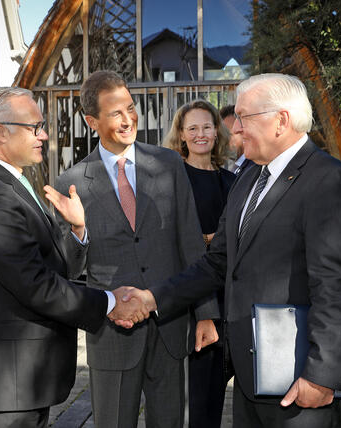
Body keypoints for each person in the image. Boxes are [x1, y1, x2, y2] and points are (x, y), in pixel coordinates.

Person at [117, 73, 341, 427]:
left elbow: (334, 286)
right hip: (251, 375)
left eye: (244, 118)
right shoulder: (248, 179)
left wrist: (323, 374)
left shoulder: (327, 179)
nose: (235, 131)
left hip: (298, 377)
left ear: (281, 120)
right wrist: (151, 299)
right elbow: (217, 263)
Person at [0, 87, 147, 428]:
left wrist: (78, 230)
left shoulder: (9, 182)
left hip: (21, 382)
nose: (44, 134)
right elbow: (36, 285)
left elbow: (50, 267)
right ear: (0, 132)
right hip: (1, 385)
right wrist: (111, 302)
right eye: (34, 126)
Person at [55, 70, 218, 428]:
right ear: (91, 121)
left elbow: (191, 242)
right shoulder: (70, 183)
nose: (129, 119)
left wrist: (205, 313)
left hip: (170, 324)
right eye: (116, 113)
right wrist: (79, 229)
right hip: (112, 333)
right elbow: (66, 269)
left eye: (131, 107)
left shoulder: (170, 164)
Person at [165, 99, 236, 428]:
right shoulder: (173, 180)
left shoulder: (231, 181)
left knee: (216, 395)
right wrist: (203, 242)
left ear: (217, 131)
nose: (201, 134)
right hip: (195, 299)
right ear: (181, 134)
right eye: (192, 128)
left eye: (207, 126)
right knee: (197, 398)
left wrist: (213, 242)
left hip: (231, 297)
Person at [220, 104, 252, 176]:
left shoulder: (254, 167)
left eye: (229, 134)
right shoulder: (234, 166)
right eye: (222, 135)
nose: (224, 140)